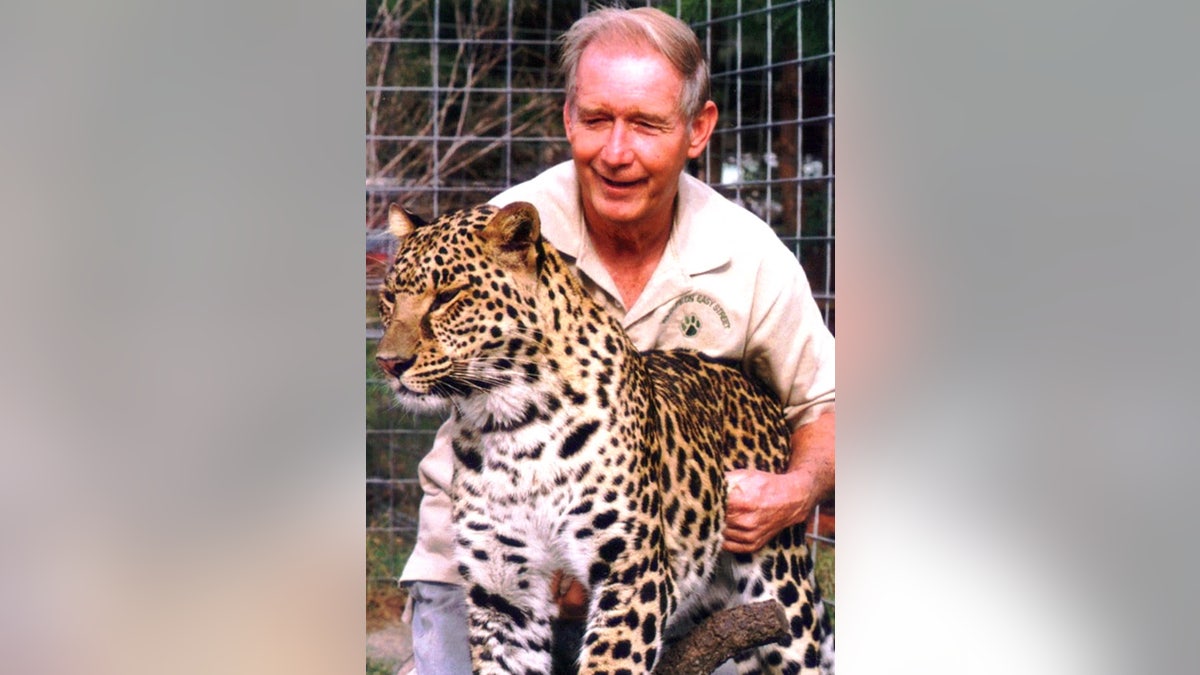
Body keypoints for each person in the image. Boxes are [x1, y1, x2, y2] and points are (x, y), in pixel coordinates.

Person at [399, 7, 835, 674]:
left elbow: (830, 404)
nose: (616, 151)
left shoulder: (750, 254)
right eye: (597, 119)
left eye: (648, 124)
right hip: (490, 553)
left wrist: (797, 487)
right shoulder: (506, 232)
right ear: (569, 117)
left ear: (698, 129)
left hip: (663, 561)